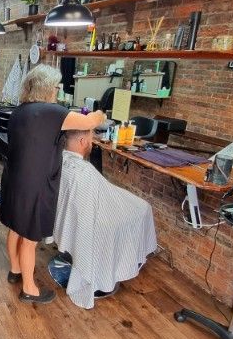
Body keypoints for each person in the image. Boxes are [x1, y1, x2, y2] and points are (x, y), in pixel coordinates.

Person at [0, 65, 105, 304]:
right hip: (35, 183)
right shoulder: (53, 112)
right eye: (56, 86)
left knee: (16, 228)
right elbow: (89, 121)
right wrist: (100, 114)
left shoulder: (20, 111)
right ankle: (29, 289)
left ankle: (15, 271)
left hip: (14, 178)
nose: (58, 90)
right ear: (47, 88)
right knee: (30, 237)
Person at [52, 128, 157, 308]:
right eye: (92, 138)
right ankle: (108, 270)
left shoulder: (60, 159)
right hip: (90, 220)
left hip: (70, 220)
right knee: (143, 208)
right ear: (83, 141)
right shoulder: (83, 171)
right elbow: (103, 198)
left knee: (131, 202)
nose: (92, 143)